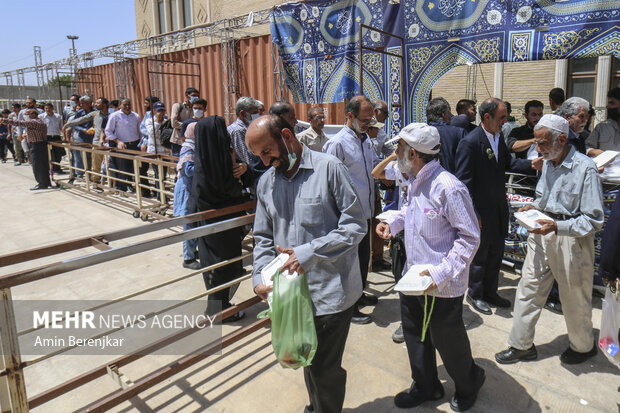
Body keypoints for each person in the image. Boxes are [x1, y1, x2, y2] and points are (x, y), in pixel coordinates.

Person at [248, 115, 366, 413]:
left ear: (287, 137)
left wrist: (308, 252)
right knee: (304, 358)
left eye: (266, 151)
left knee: (325, 369)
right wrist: (259, 277)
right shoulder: (266, 183)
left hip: (330, 294)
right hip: (289, 296)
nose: (264, 161)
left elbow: (355, 225)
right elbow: (262, 236)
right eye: (257, 156)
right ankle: (317, 406)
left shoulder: (329, 169)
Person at [377, 123, 485, 411]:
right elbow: (412, 213)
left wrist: (440, 272)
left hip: (443, 283)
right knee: (415, 336)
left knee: (447, 341)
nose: (395, 154)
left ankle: (469, 382)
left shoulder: (448, 187)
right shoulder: (414, 180)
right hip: (413, 278)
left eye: (398, 149)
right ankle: (426, 386)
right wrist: (393, 223)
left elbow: (470, 237)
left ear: (413, 153)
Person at [495, 114, 604, 365]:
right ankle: (521, 345)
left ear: (562, 139)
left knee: (574, 296)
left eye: (542, 143)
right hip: (541, 235)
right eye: (537, 142)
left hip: (570, 240)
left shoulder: (585, 168)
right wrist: (532, 207)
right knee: (528, 289)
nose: (538, 148)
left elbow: (594, 219)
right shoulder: (547, 162)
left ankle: (582, 346)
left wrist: (557, 225)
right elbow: (545, 200)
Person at [455, 98, 540, 315]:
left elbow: (507, 163)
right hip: (481, 211)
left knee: (496, 252)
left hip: (499, 207)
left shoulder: (498, 137)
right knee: (480, 255)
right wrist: (472, 213)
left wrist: (531, 164)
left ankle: (491, 292)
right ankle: (475, 294)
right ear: (487, 117)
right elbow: (464, 183)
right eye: (502, 117)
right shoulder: (471, 142)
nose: (506, 121)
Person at [324, 95, 379, 324]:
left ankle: (358, 295)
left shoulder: (365, 140)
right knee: (349, 263)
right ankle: (349, 307)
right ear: (350, 116)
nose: (369, 124)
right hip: (346, 217)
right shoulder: (337, 144)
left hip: (365, 213)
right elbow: (326, 181)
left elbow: (374, 168)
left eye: (370, 120)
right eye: (365, 120)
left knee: (363, 258)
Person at [192, 116, 252, 321]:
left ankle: (223, 305)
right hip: (217, 229)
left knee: (224, 266)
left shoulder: (219, 159)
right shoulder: (207, 166)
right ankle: (218, 311)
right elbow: (222, 191)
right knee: (218, 268)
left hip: (224, 228)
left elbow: (239, 179)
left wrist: (242, 167)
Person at [0, 108, 51, 190]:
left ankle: (42, 183)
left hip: (36, 146)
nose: (25, 116)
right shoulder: (40, 122)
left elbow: (18, 122)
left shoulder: (33, 122)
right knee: (43, 165)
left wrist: (3, 120)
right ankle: (46, 182)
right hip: (40, 145)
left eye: (27, 114)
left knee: (37, 165)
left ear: (33, 114)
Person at [64, 97, 110, 185]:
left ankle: (111, 183)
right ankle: (96, 182)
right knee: (95, 165)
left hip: (109, 143)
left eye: (97, 103)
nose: (95, 104)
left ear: (104, 105)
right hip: (96, 143)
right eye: (95, 103)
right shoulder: (95, 114)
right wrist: (68, 124)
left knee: (109, 165)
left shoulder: (112, 115)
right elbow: (82, 119)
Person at [173, 121, 200, 270]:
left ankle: (193, 251)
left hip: (192, 189)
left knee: (194, 221)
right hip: (187, 189)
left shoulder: (194, 146)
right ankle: (188, 258)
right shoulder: (188, 147)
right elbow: (188, 169)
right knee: (189, 223)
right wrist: (203, 166)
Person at [104, 98, 142, 192]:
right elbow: (108, 131)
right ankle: (121, 188)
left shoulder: (135, 116)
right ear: (120, 105)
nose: (127, 107)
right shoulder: (115, 116)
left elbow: (140, 131)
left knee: (133, 167)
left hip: (134, 144)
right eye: (125, 105)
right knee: (121, 168)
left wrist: (142, 143)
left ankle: (130, 185)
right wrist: (118, 141)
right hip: (122, 146)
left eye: (129, 104)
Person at [426, 97, 465, 174]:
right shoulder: (459, 132)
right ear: (444, 115)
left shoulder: (420, 133)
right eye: (449, 113)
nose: (451, 117)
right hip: (454, 181)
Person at [586, 87, 620, 157]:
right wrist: (593, 152)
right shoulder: (602, 127)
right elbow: (587, 147)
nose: (607, 107)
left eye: (612, 103)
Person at [228, 96, 261, 166]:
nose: (257, 115)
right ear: (242, 114)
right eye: (254, 113)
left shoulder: (248, 128)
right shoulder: (238, 131)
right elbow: (249, 160)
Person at [170, 87, 199, 157]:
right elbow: (174, 123)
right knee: (177, 164)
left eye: (197, 96)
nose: (196, 97)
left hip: (190, 143)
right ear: (186, 95)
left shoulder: (196, 109)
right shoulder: (177, 106)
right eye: (194, 95)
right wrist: (188, 125)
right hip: (177, 141)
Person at [39, 103, 64, 174]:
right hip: (46, 137)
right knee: (48, 154)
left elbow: (61, 127)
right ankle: (50, 169)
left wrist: (63, 135)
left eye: (49, 108)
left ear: (52, 108)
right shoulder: (41, 117)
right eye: (46, 108)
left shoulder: (58, 116)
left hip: (56, 137)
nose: (48, 110)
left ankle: (57, 168)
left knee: (57, 154)